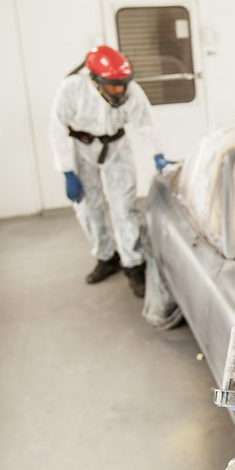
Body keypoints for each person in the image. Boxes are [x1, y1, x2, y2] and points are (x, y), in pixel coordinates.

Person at [49, 45, 174, 298]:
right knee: (88, 207)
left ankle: (134, 264)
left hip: (116, 147)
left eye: (123, 84)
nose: (120, 90)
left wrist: (157, 155)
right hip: (82, 149)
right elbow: (57, 128)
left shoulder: (131, 91)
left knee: (123, 206)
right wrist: (67, 171)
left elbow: (147, 124)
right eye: (113, 86)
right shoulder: (72, 89)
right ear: (95, 80)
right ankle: (106, 256)